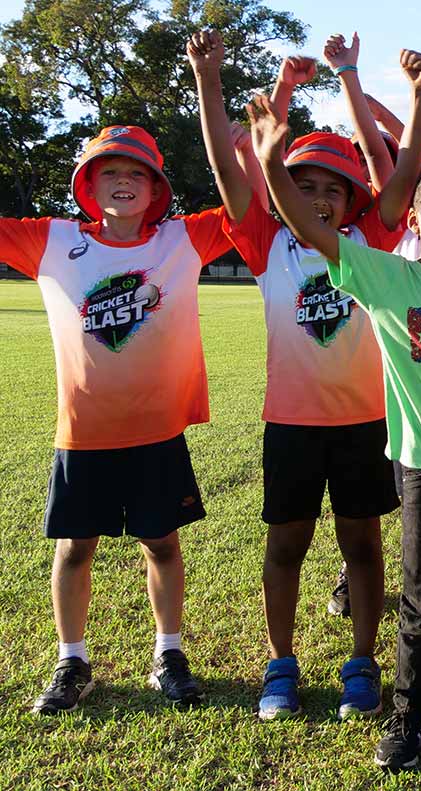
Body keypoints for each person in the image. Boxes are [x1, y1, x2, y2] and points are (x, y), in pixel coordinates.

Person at [247, 49, 421, 767]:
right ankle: (407, 720)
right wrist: (272, 162)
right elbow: (308, 226)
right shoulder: (383, 274)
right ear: (414, 214)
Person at [189, 29, 420, 721]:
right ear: (283, 185)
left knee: (362, 544)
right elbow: (231, 178)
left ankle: (362, 661)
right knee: (285, 542)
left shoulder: (369, 242)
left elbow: (397, 169)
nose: (319, 197)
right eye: (303, 182)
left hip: (361, 422)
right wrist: (209, 80)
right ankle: (280, 663)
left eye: (333, 188)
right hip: (288, 423)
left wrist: (392, 89)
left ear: (353, 200)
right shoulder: (265, 243)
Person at [3, 120, 234, 713]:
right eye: (112, 170)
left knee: (161, 543)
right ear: (88, 182)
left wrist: (241, 143)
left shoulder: (183, 239)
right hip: (82, 436)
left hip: (158, 434)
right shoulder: (49, 240)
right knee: (76, 548)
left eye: (138, 172)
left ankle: (169, 653)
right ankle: (71, 661)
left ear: (156, 189)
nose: (125, 181)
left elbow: (245, 205)